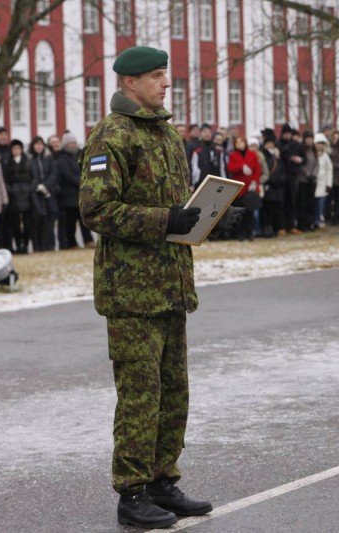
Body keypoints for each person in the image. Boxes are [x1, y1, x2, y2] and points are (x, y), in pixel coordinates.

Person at [78, 45, 220, 530]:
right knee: (140, 394)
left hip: (170, 285)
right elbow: (98, 212)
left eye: (167, 76)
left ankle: (162, 480)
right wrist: (167, 220)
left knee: (174, 391)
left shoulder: (164, 133)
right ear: (129, 83)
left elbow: (176, 205)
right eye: (157, 76)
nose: (166, 84)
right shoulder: (110, 137)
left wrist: (207, 215)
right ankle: (131, 492)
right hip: (132, 293)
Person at [54, 132, 94, 249]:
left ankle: (88, 240)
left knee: (84, 220)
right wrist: (83, 183)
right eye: (71, 143)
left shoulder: (82, 154)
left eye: (74, 142)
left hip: (82, 195)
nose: (73, 145)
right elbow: (67, 175)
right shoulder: (61, 158)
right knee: (70, 222)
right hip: (69, 195)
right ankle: (72, 242)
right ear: (66, 144)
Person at [226, 135, 262, 240]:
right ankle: (239, 233)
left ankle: (249, 232)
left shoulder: (252, 155)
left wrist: (255, 182)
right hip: (239, 188)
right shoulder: (233, 155)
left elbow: (257, 170)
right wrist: (241, 166)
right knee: (239, 212)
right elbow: (230, 168)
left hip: (250, 188)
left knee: (250, 212)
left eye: (241, 142)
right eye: (237, 143)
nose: (240, 144)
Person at [27, 136, 58, 251]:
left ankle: (48, 245)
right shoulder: (30, 161)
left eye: (41, 144)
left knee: (49, 221)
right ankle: (37, 246)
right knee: (36, 221)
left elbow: (54, 174)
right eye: (37, 144)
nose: (39, 147)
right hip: (35, 194)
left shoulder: (48, 159)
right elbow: (30, 177)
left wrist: (46, 186)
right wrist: (35, 187)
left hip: (48, 193)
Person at [4, 139, 33, 253]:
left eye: (18, 148)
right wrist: (10, 190)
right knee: (15, 223)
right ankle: (17, 244)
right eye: (14, 148)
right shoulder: (7, 162)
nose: (16, 151)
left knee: (27, 223)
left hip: (26, 194)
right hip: (13, 196)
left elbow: (33, 177)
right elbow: (5, 179)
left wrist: (29, 188)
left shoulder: (27, 161)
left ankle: (25, 244)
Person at [313, 133, 333, 228]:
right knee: (313, 203)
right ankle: (313, 220)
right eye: (318, 143)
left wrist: (329, 183)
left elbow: (329, 170)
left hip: (322, 184)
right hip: (313, 183)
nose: (320, 145)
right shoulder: (312, 155)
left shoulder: (325, 156)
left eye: (321, 143)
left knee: (320, 203)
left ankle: (318, 219)